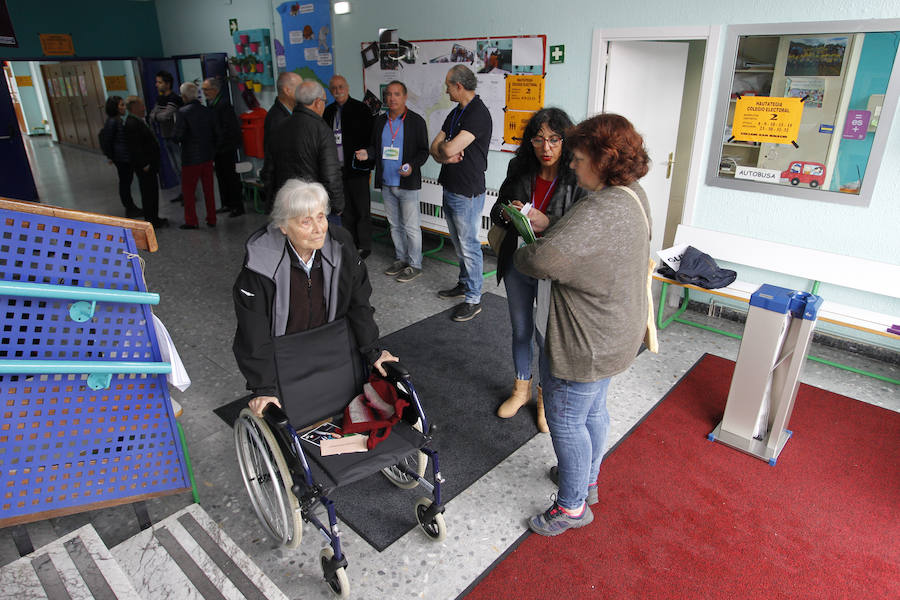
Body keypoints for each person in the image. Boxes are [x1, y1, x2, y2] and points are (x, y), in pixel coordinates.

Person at [513, 113, 651, 537]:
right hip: (616, 332)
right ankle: (586, 482)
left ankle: (572, 508)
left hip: (584, 341)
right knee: (593, 411)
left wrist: (524, 248)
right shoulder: (631, 195)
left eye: (578, 157)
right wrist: (553, 227)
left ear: (602, 159)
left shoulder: (599, 209)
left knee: (568, 420)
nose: (571, 164)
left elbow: (544, 261)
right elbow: (588, 247)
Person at [232, 179, 398, 418]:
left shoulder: (340, 245)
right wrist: (263, 388)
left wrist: (373, 350)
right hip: (284, 354)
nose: (319, 228)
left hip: (332, 346)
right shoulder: (260, 265)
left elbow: (359, 303)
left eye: (321, 217)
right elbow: (252, 330)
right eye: (306, 221)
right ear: (283, 226)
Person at [490, 108, 585, 431]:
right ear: (530, 142)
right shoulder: (520, 168)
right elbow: (496, 209)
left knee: (546, 338)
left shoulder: (576, 176)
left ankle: (545, 400)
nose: (546, 147)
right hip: (519, 260)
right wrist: (509, 214)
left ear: (565, 141)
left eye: (554, 139)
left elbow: (583, 227)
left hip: (552, 269)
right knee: (520, 330)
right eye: (539, 139)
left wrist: (548, 222)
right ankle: (521, 389)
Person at [429, 65, 492, 322]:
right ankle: (465, 282)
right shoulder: (456, 113)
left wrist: (445, 150)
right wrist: (444, 153)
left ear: (459, 86)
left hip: (467, 191)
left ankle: (474, 298)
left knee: (469, 246)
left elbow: (448, 146)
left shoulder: (478, 113)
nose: (446, 90)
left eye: (448, 85)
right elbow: (435, 147)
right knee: (458, 244)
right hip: (450, 185)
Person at [355, 81, 430, 283]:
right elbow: (375, 148)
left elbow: (424, 151)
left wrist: (412, 165)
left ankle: (415, 264)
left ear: (405, 97)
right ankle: (401, 259)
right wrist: (366, 153)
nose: (392, 98)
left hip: (407, 184)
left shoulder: (416, 121)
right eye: (388, 94)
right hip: (387, 182)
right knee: (395, 225)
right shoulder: (379, 121)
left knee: (411, 227)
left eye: (396, 94)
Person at [261, 81, 345, 221]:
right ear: (318, 102)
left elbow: (268, 170)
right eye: (324, 101)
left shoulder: (279, 127)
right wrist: (337, 206)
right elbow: (331, 175)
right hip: (313, 204)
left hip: (286, 203)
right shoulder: (322, 130)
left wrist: (272, 202)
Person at [323, 75, 374, 257]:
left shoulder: (361, 109)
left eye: (341, 86)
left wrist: (368, 161)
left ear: (347, 87)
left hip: (357, 168)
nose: (338, 90)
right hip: (337, 170)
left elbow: (371, 139)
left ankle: (365, 245)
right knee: (345, 209)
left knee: (362, 209)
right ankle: (350, 242)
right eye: (334, 88)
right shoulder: (328, 112)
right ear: (330, 91)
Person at [173, 82, 217, 229]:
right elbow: (215, 133)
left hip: (190, 158)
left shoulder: (182, 112)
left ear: (184, 96)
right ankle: (212, 218)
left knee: (189, 191)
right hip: (207, 156)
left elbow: (178, 136)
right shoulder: (207, 111)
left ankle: (191, 220)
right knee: (209, 189)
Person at [201, 77, 244, 217]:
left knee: (230, 177)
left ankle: (237, 206)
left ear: (215, 90)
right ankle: (227, 203)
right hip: (218, 148)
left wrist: (219, 143)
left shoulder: (224, 105)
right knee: (221, 176)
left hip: (227, 147)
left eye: (206, 89)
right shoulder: (212, 104)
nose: (204, 92)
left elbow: (227, 128)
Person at [122, 96, 168, 229]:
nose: (143, 108)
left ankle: (154, 217)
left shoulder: (138, 121)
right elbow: (135, 147)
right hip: (145, 166)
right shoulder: (132, 123)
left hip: (149, 163)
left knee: (152, 191)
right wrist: (144, 163)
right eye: (141, 105)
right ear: (134, 107)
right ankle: (151, 219)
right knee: (148, 192)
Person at [99, 96, 142, 218]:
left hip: (122, 156)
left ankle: (131, 206)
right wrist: (111, 156)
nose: (124, 108)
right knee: (125, 183)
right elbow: (108, 141)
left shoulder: (116, 120)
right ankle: (129, 207)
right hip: (122, 158)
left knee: (126, 182)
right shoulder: (114, 121)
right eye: (121, 105)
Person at [149, 70, 184, 204]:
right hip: (165, 136)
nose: (156, 85)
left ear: (168, 84)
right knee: (175, 168)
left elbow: (164, 115)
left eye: (159, 82)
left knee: (181, 168)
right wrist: (158, 116)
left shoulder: (174, 99)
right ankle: (182, 193)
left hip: (175, 137)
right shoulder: (161, 98)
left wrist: (158, 116)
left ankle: (188, 194)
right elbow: (152, 115)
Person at [264, 71, 303, 147]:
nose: (303, 92)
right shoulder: (277, 120)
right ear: (287, 91)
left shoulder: (295, 110)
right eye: (300, 88)